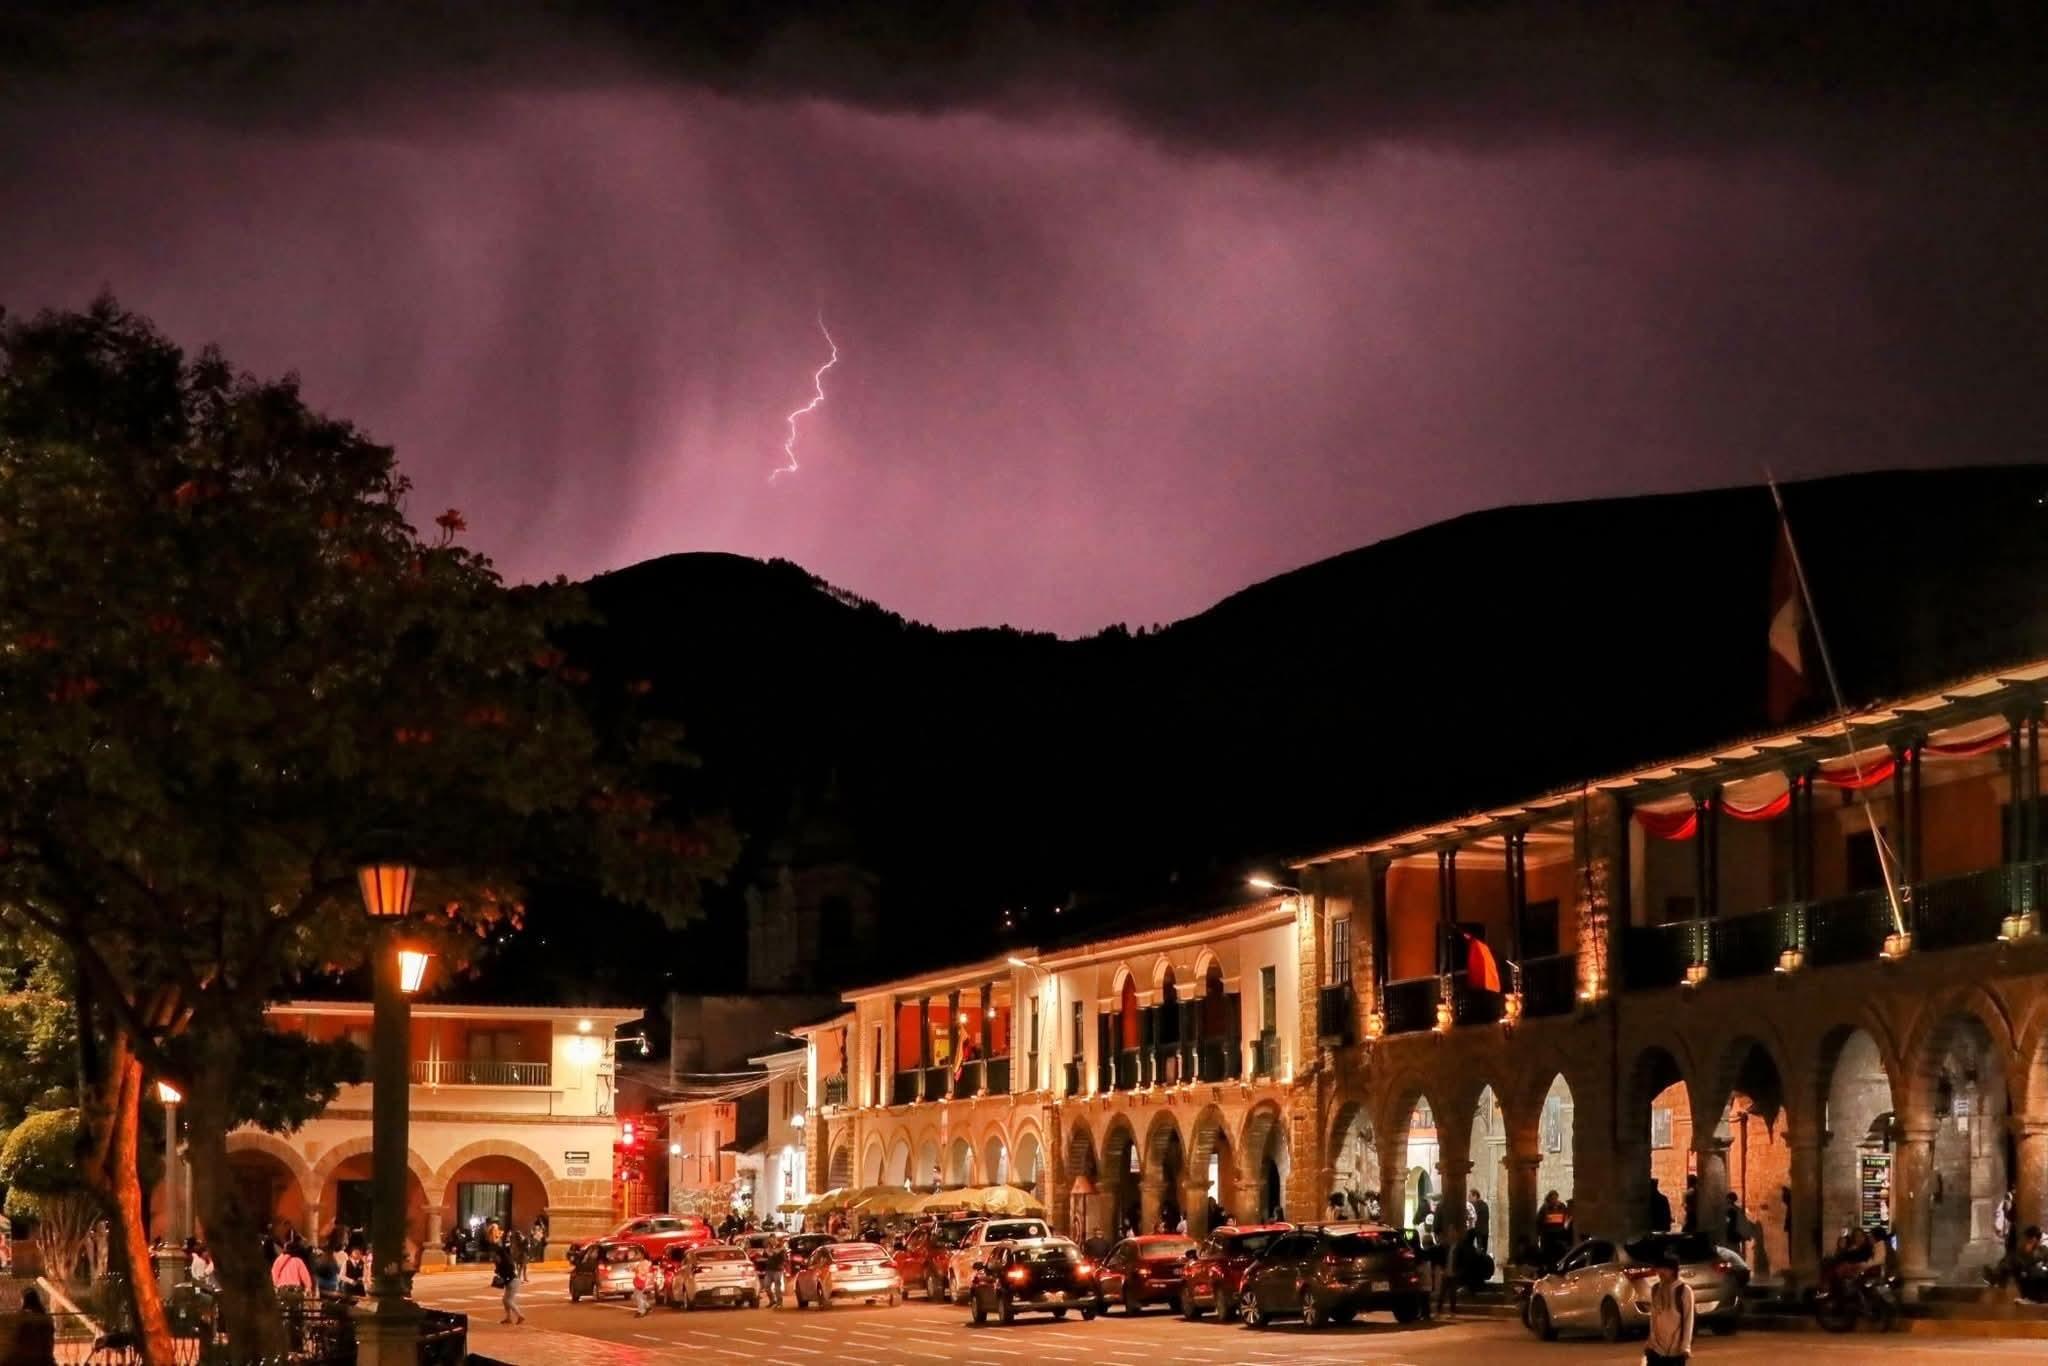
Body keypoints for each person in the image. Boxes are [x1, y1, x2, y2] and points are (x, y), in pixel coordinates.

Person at [1644, 1250, 1695, 1366]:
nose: (1660, 1272)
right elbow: (1653, 1318)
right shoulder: (1655, 1289)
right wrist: (1650, 1342)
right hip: (1655, 1351)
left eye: (1664, 1269)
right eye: (1659, 1268)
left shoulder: (1684, 1290)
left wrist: (1686, 1347)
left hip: (1676, 1352)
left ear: (1672, 1270)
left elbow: (1688, 1320)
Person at [5, 1286, 56, 1366]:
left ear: (24, 1301)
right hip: (46, 1358)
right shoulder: (47, 1318)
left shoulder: (23, 1317)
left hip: (29, 1359)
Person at [494, 1228, 524, 1325]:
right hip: (512, 1281)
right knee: (505, 1300)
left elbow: (507, 1272)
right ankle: (508, 1318)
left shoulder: (505, 1263)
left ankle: (519, 1315)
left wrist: (501, 1275)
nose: (495, 1258)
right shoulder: (504, 1262)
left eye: (496, 1257)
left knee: (508, 1300)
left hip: (513, 1281)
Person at [1536, 1190, 1571, 1266]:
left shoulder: (1562, 1207)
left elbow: (1567, 1218)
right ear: (1549, 1199)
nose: (1554, 1200)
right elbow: (1539, 1223)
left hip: (1559, 1235)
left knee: (1558, 1255)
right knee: (1548, 1256)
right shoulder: (1544, 1208)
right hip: (1548, 1236)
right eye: (1552, 1198)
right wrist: (1539, 1235)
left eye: (1555, 1198)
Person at [632, 1252, 657, 1318]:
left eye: (639, 1254)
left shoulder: (645, 1263)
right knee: (635, 1296)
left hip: (641, 1280)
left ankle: (641, 1311)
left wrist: (636, 1270)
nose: (638, 1255)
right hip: (639, 1280)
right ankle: (647, 1306)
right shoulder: (642, 1262)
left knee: (638, 1296)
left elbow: (644, 1272)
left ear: (643, 1255)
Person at [1469, 1191, 1490, 1256]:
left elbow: (1473, 1217)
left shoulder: (1476, 1204)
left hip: (1479, 1231)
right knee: (1484, 1250)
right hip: (1485, 1231)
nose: (1469, 1199)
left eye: (1470, 1197)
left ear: (1475, 1196)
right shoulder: (1485, 1204)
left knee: (1479, 1251)